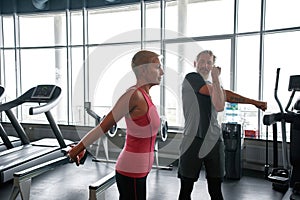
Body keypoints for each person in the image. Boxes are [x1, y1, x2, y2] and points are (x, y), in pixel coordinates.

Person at [68, 50, 164, 200]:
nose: (162, 72)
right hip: (131, 170)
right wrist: (77, 149)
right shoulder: (133, 95)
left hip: (140, 171)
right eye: (157, 67)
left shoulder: (146, 96)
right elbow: (103, 126)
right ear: (143, 70)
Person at [177, 50, 267, 200]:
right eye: (202, 62)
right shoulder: (191, 78)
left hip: (214, 140)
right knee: (186, 189)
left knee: (216, 189)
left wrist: (254, 103)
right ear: (195, 63)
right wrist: (216, 78)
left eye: (209, 63)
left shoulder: (214, 85)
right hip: (193, 140)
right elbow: (217, 94)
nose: (205, 66)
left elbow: (223, 100)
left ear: (213, 65)